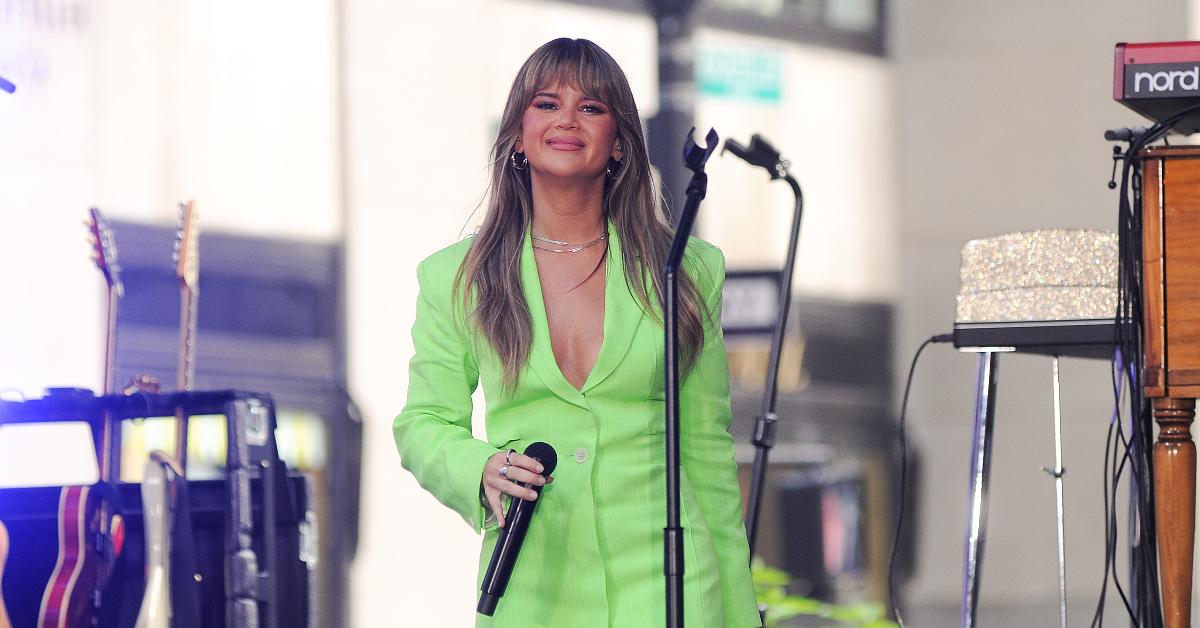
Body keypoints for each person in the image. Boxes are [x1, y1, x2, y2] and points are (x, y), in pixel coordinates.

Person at [393, 37, 760, 627]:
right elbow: (424, 422)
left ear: (619, 143)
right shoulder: (455, 278)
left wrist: (741, 618)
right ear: (517, 132)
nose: (567, 119)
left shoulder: (686, 270)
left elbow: (707, 456)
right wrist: (479, 467)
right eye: (546, 103)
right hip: (535, 587)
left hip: (672, 589)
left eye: (591, 107)